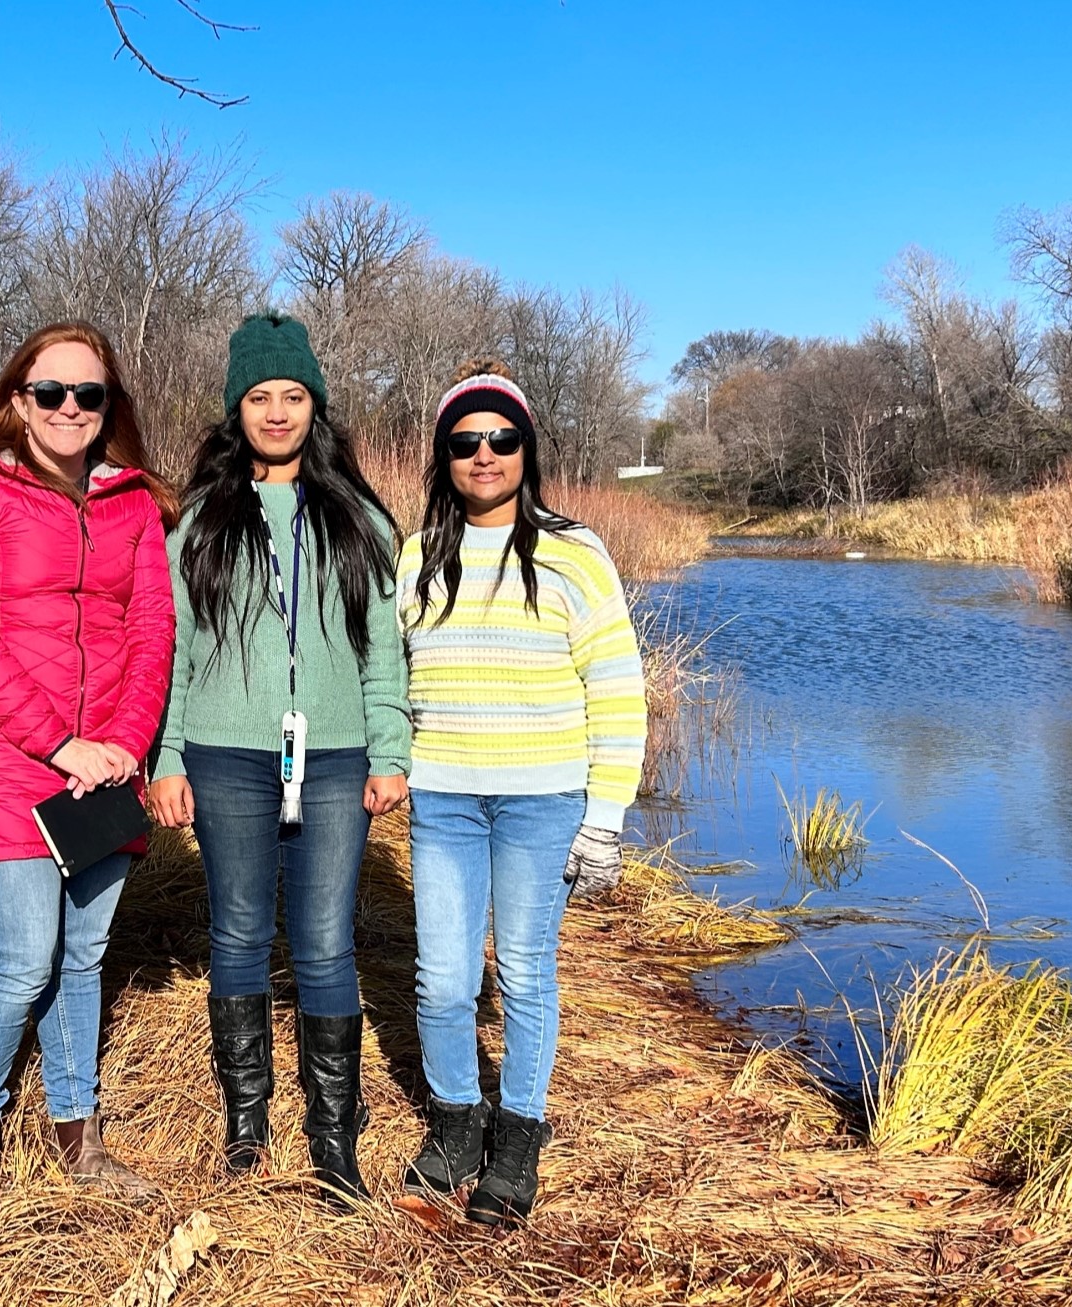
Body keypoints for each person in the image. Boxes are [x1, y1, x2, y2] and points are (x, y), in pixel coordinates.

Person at [145, 314, 408, 1204]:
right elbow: (176, 651)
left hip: (332, 755)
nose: (277, 412)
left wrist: (390, 749)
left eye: (293, 396)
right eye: (260, 397)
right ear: (236, 409)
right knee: (241, 929)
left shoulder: (361, 520)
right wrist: (169, 754)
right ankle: (247, 1128)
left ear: (315, 407)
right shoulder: (199, 525)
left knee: (327, 939)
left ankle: (335, 1137)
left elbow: (382, 652)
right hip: (225, 755)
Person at [0, 322, 178, 1196]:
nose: (71, 408)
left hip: (104, 768)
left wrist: (121, 746)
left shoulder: (135, 504)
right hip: (3, 759)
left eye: (89, 394)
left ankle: (80, 1136)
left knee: (82, 954)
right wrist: (57, 741)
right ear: (18, 400)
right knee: (25, 953)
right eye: (52, 392)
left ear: (110, 407)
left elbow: (152, 634)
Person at [395, 362, 642, 1227]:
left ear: (526, 448)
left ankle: (519, 1134)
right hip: (446, 800)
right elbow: (392, 682)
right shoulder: (418, 556)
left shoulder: (576, 553)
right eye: (465, 442)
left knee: (528, 971)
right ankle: (459, 1119)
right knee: (442, 978)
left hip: (543, 802)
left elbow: (616, 685)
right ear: (445, 456)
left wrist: (603, 818)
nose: (484, 455)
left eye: (501, 438)